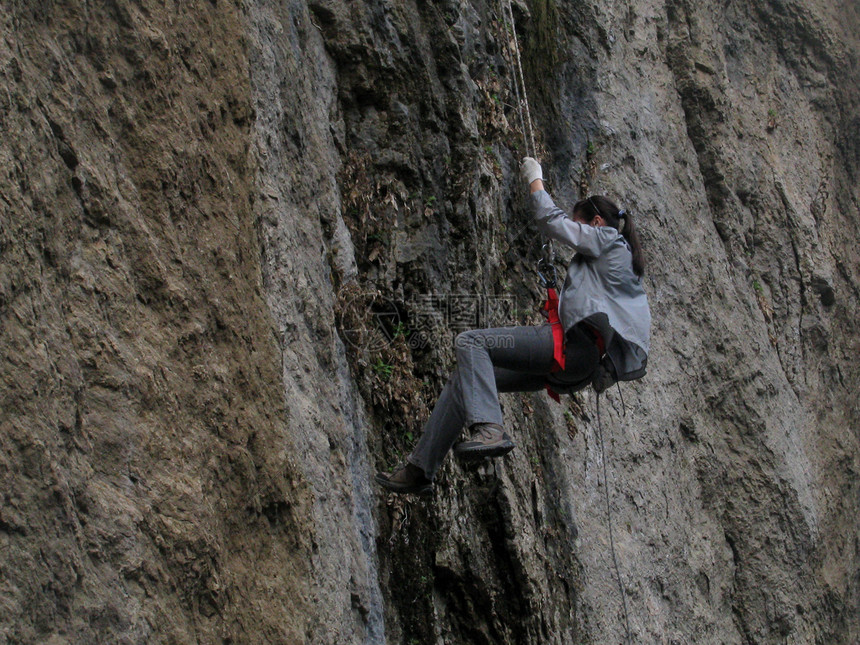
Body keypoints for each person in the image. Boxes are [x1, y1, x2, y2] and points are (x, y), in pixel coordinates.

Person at [375, 157, 651, 495]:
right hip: (577, 366)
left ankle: (490, 429)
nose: (577, 232)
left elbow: (551, 220)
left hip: (573, 347)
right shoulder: (615, 261)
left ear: (595, 222)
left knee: (470, 343)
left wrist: (535, 180)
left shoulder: (607, 239)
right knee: (466, 377)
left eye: (579, 224)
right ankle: (420, 469)